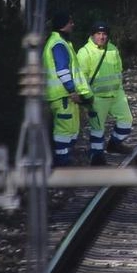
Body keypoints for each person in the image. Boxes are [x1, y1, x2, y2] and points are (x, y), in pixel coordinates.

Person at [77, 21, 134, 166]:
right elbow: (80, 77)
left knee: (126, 121)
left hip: (116, 94)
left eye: (104, 34)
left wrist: (120, 90)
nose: (101, 37)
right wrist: (87, 96)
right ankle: (96, 157)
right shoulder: (85, 52)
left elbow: (118, 71)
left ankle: (114, 144)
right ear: (92, 35)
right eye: (98, 34)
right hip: (97, 98)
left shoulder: (113, 49)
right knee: (97, 129)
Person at [42, 9, 93, 167]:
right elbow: (63, 70)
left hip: (62, 95)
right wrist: (72, 90)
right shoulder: (59, 44)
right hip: (63, 95)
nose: (73, 24)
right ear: (63, 24)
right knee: (64, 131)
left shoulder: (59, 42)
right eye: (70, 22)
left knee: (69, 130)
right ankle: (62, 163)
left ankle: (64, 161)